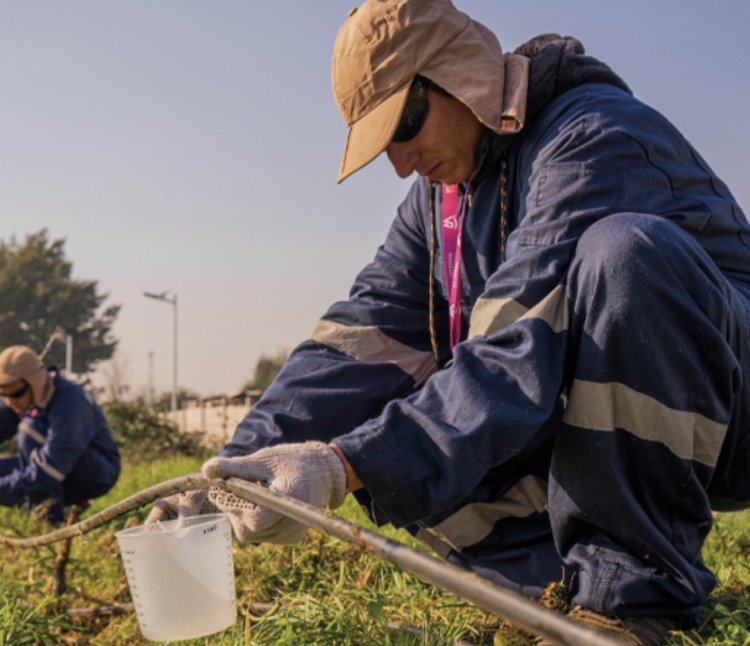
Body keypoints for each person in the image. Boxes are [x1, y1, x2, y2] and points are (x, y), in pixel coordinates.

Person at [148, 1, 750, 642]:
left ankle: (630, 603)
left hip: (728, 415)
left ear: (460, 72)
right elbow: (362, 339)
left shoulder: (596, 137)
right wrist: (231, 471)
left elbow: (514, 354)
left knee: (623, 256)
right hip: (612, 419)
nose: (401, 161)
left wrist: (346, 465)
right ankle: (551, 596)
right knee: (400, 421)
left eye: (404, 126)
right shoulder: (440, 200)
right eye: (383, 144)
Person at [0, 345, 120, 522]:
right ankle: (48, 506)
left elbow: (49, 470)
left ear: (34, 381)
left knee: (27, 431)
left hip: (95, 473)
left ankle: (53, 515)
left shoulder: (70, 402)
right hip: (55, 466)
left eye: (16, 394)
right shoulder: (21, 398)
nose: (10, 402)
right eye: (3, 394)